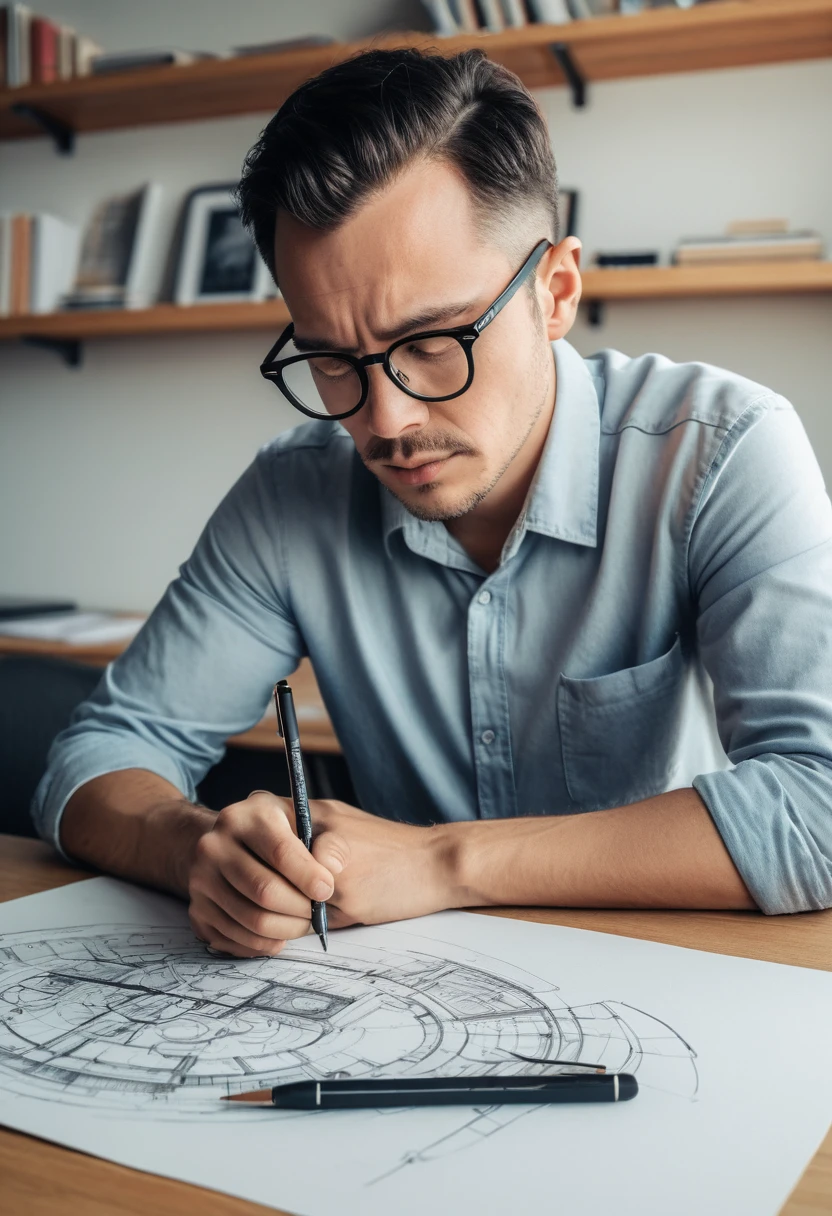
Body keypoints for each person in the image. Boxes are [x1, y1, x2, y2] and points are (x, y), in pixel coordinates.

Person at [34, 48, 832, 956]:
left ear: (556, 291)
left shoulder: (721, 451)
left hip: (681, 979)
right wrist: (197, 849)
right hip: (401, 1000)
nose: (386, 420)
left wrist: (444, 862)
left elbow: (821, 806)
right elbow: (97, 758)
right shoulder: (290, 492)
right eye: (331, 359)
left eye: (434, 341)